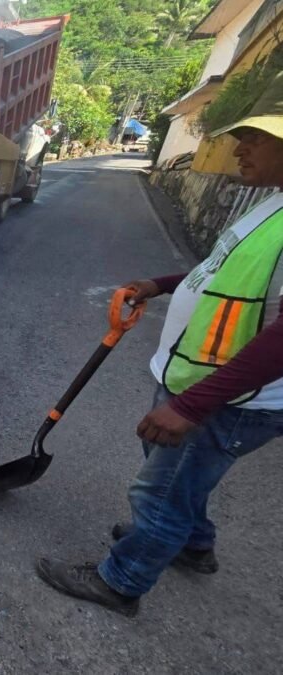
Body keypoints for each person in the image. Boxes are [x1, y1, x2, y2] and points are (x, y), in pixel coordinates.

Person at [36, 72, 283, 617]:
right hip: (201, 381)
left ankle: (120, 582)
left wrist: (193, 405)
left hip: (226, 397)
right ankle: (191, 544)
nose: (239, 147)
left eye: (257, 137)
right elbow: (222, 274)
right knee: (178, 477)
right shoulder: (272, 206)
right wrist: (162, 285)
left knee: (160, 492)